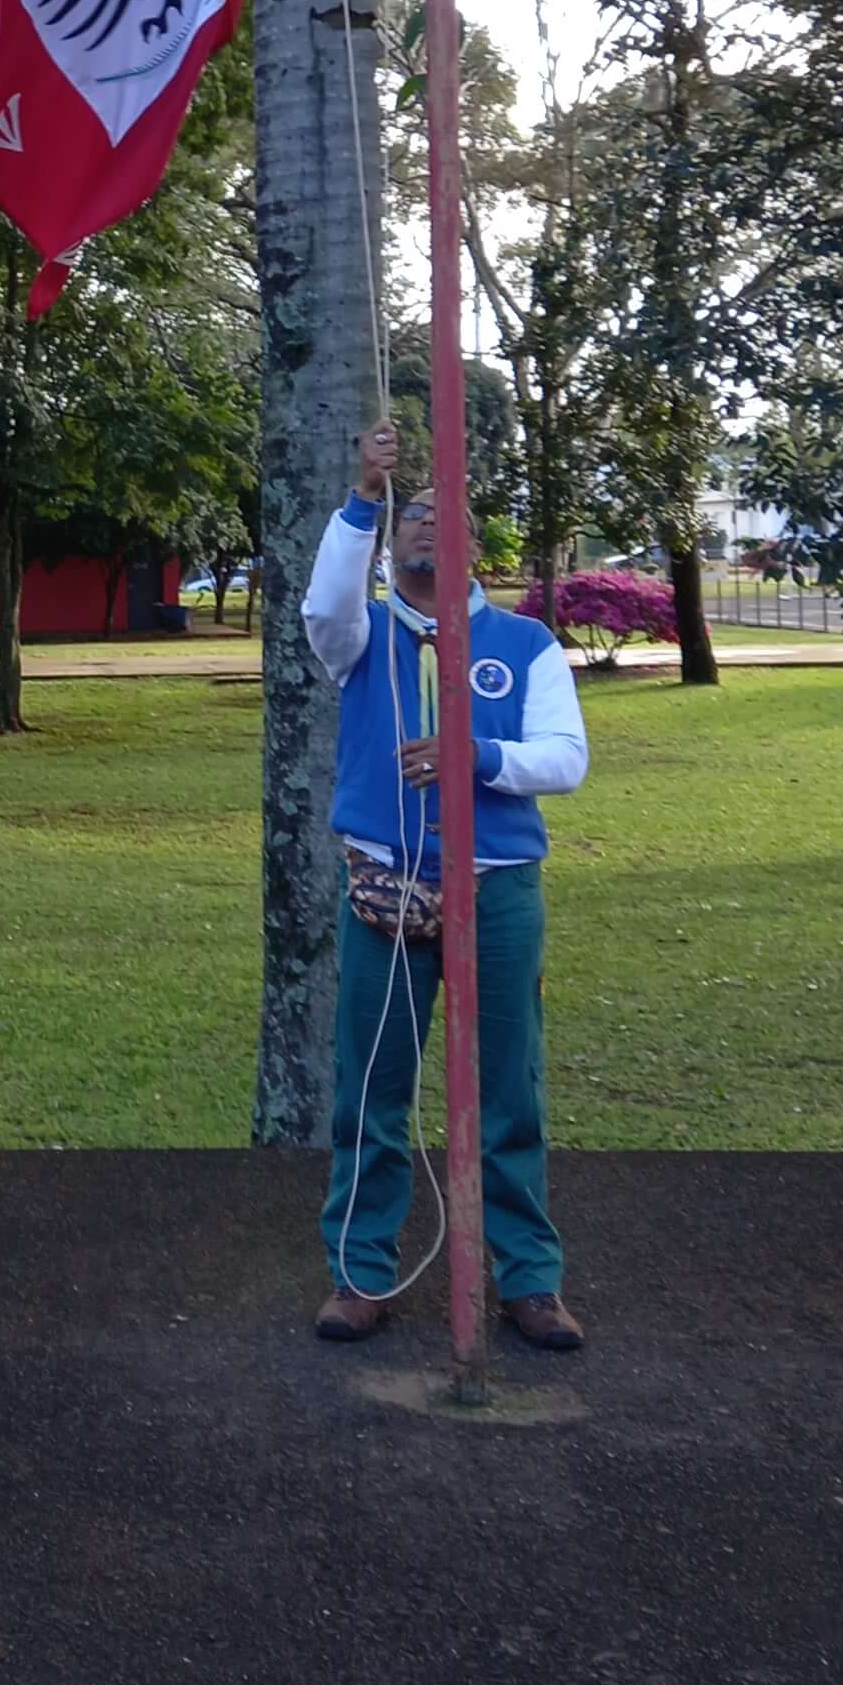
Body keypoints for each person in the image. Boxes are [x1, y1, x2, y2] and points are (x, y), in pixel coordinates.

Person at [302, 418, 591, 1351]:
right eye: (414, 516)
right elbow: (323, 609)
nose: (429, 524)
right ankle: (360, 1273)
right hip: (386, 888)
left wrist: (478, 756)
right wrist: (364, 495)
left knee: (512, 1087)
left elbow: (565, 759)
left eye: (445, 513)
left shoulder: (526, 642)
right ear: (395, 538)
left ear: (474, 538)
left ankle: (529, 1281)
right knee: (373, 1088)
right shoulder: (364, 637)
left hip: (497, 890)